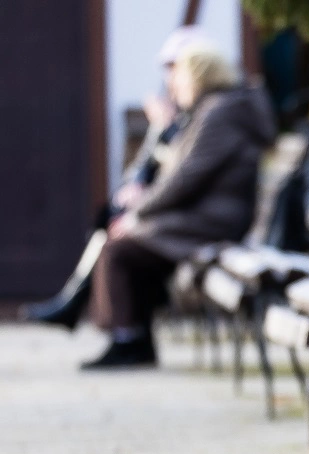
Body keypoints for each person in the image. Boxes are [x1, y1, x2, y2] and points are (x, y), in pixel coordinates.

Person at [83, 44, 277, 369]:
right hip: (209, 216)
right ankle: (134, 338)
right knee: (125, 245)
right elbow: (179, 173)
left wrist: (138, 215)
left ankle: (127, 340)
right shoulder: (215, 110)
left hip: (213, 222)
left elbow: (183, 179)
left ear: (199, 77)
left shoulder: (219, 113)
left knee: (119, 250)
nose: (173, 86)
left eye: (180, 77)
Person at [20, 26, 214, 330]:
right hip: (182, 215)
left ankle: (119, 332)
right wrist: (159, 132)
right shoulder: (191, 113)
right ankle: (84, 308)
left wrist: (141, 209)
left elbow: (183, 177)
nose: (170, 78)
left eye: (175, 68)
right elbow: (146, 171)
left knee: (118, 239)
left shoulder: (208, 114)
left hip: (195, 221)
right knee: (111, 219)